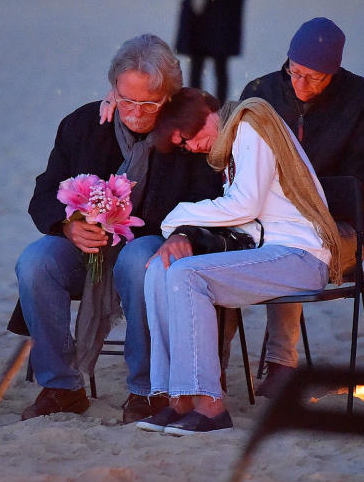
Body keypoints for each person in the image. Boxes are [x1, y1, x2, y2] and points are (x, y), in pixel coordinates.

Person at [13, 34, 222, 423]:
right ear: (112, 89)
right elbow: (43, 194)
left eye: (149, 102)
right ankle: (60, 386)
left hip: (150, 245)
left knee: (139, 259)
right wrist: (67, 225)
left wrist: (183, 234)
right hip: (85, 247)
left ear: (170, 97)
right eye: (126, 99)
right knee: (35, 262)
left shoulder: (186, 134)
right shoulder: (82, 124)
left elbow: (209, 200)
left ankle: (147, 390)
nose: (136, 112)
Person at [137, 90, 357, 434]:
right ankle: (176, 399)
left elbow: (244, 207)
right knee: (160, 270)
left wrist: (177, 217)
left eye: (187, 138)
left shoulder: (251, 123)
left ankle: (211, 407)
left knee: (186, 274)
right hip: (269, 252)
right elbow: (242, 218)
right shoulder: (233, 144)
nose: (190, 148)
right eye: (182, 146)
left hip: (302, 254)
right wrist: (183, 232)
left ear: (202, 117)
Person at [236, 17, 364, 398]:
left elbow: (358, 185)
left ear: (334, 72)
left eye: (314, 78)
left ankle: (281, 362)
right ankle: (212, 365)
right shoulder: (262, 92)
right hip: (263, 221)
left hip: (338, 228)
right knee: (220, 247)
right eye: (295, 72)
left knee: (291, 240)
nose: (300, 85)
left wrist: (294, 192)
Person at [174, 0, 245, 103]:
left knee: (218, 66)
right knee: (199, 66)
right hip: (201, 14)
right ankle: (196, 106)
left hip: (221, 12)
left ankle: (218, 110)